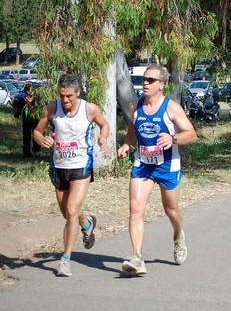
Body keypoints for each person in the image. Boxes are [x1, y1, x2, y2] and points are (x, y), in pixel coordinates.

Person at [117, 65, 198, 276]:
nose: (145, 83)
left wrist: (173, 139)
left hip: (167, 165)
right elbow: (133, 130)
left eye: (151, 80)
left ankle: (179, 234)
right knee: (135, 208)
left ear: (161, 85)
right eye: (144, 79)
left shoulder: (171, 108)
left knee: (170, 209)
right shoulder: (136, 106)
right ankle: (137, 257)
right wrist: (127, 144)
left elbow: (192, 134)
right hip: (143, 164)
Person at [33, 74, 110, 277]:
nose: (65, 100)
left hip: (81, 165)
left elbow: (105, 125)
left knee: (72, 208)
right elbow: (37, 131)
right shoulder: (52, 108)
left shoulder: (89, 109)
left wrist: (103, 139)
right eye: (62, 96)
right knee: (68, 213)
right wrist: (41, 140)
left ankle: (65, 260)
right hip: (59, 165)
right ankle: (86, 224)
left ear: (78, 93)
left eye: (69, 96)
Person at [13, 82, 41, 158]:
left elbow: (39, 110)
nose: (32, 92)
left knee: (36, 137)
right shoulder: (23, 100)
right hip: (26, 122)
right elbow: (18, 110)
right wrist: (15, 121)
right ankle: (26, 153)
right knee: (26, 138)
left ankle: (36, 151)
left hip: (35, 121)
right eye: (30, 90)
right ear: (27, 91)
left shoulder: (36, 100)